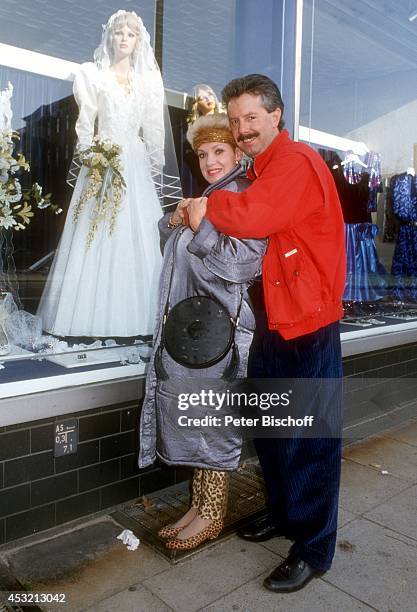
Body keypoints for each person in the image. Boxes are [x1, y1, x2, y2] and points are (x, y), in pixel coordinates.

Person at [186, 74, 346, 592]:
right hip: (277, 320)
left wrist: (207, 206)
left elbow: (258, 216)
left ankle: (315, 548)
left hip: (308, 325)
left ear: (276, 116)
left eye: (251, 118)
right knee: (275, 432)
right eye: (235, 121)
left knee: (311, 441)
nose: (242, 129)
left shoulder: (295, 161)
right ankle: (283, 516)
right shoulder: (263, 166)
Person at [138, 113, 266, 551]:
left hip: (222, 334)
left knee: (212, 423)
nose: (210, 161)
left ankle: (211, 515)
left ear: (236, 153)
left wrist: (200, 228)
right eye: (203, 154)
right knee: (196, 420)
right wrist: (173, 221)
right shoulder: (211, 194)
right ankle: (198, 506)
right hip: (195, 334)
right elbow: (177, 251)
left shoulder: (243, 195)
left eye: (219, 152)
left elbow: (244, 265)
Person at [37, 10, 181, 338]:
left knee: (136, 237)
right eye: (118, 33)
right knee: (95, 235)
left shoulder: (148, 82)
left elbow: (154, 129)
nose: (123, 39)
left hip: (134, 161)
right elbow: (85, 124)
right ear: (109, 37)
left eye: (130, 34)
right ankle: (88, 318)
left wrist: (152, 166)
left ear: (138, 40)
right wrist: (93, 156)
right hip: (104, 158)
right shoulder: (94, 75)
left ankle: (138, 319)